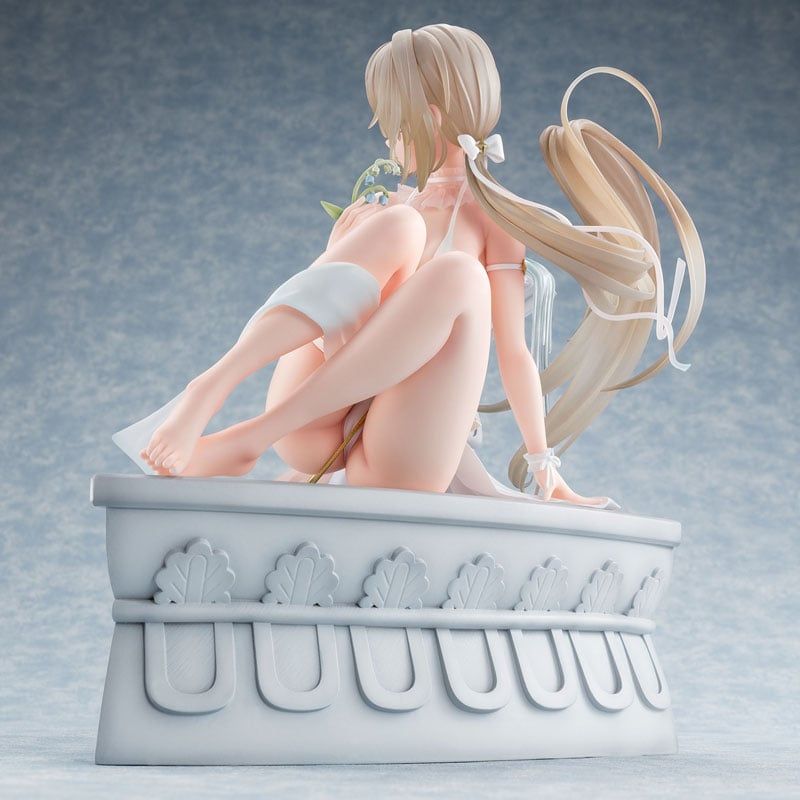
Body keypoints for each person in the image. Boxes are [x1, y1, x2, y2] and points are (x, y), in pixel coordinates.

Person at [113, 24, 704, 509]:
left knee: (458, 276)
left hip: (399, 449)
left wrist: (545, 468)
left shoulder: (491, 218)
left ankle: (248, 438)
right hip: (319, 431)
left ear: (431, 115)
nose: (387, 138)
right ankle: (209, 389)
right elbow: (336, 323)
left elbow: (513, 353)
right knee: (395, 225)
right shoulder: (398, 209)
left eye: (393, 121)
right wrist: (337, 247)